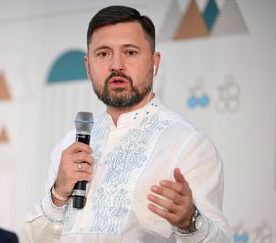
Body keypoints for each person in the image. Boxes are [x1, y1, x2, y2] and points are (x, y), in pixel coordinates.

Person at [23, 5, 232, 243]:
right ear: (88, 67)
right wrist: (58, 194)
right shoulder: (69, 144)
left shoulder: (187, 145)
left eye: (130, 52)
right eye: (103, 54)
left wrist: (190, 222)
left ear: (155, 63)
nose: (116, 65)